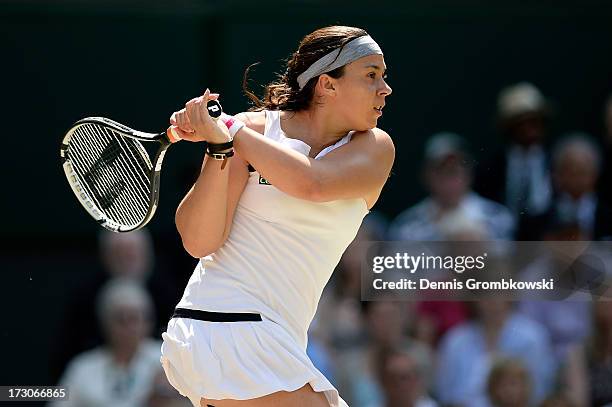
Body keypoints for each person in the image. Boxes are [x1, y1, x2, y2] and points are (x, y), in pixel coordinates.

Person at [160, 26, 394, 407]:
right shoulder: (251, 131)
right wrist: (220, 146)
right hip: (216, 328)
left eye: (384, 77)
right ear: (327, 86)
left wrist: (228, 129)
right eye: (371, 75)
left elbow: (312, 183)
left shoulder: (376, 149)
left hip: (266, 343)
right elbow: (199, 242)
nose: (385, 88)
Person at [50, 278, 162, 407]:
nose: (129, 328)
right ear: (105, 323)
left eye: (134, 318)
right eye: (120, 319)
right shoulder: (82, 368)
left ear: (148, 322)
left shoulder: (167, 360)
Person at [389, 132, 515, 241]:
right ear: (427, 175)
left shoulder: (497, 217)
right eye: (442, 172)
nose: (450, 181)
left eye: (455, 172)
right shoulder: (407, 225)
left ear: (469, 173)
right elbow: (397, 268)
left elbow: (507, 265)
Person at [474, 82, 553, 240]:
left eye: (533, 121)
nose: (528, 129)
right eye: (520, 123)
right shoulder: (492, 167)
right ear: (508, 126)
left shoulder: (556, 161)